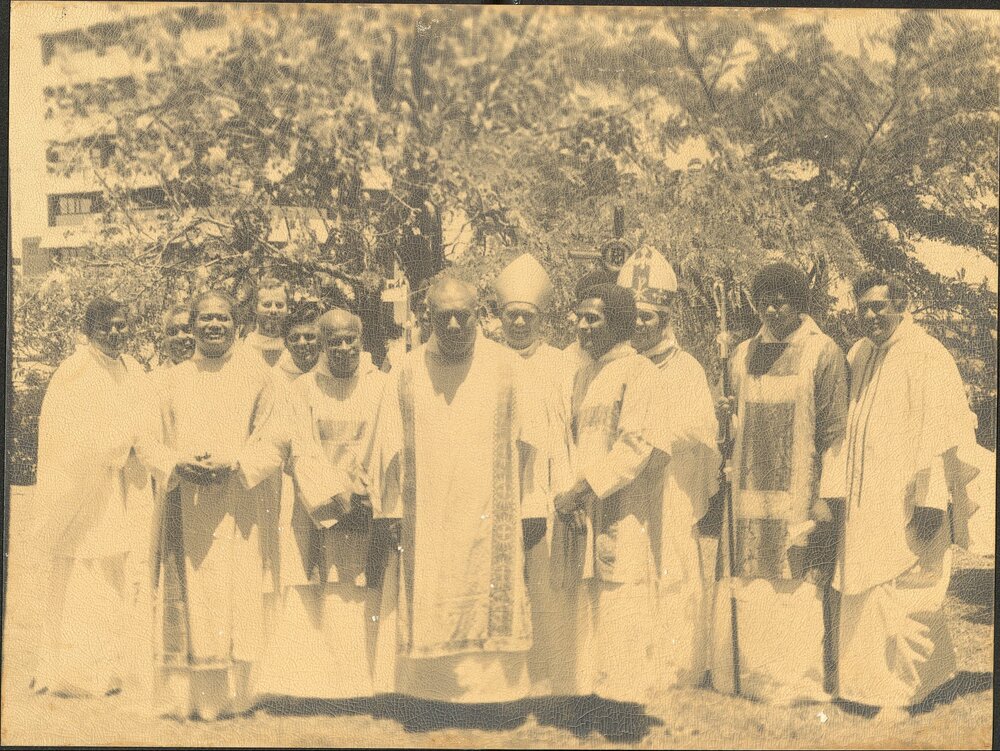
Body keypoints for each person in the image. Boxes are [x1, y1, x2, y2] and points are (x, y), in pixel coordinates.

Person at [146, 290, 341, 720]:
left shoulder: (259, 376)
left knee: (236, 594)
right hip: (185, 503)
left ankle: (235, 696)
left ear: (235, 323)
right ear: (193, 324)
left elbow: (278, 437)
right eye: (205, 318)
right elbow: (146, 439)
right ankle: (188, 696)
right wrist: (176, 463)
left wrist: (236, 463)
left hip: (239, 504)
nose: (214, 325)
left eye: (222, 318)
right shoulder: (170, 379)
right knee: (193, 595)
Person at [368, 277, 548, 705]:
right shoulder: (406, 371)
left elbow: (535, 445)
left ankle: (494, 694)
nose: (452, 325)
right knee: (430, 589)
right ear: (427, 316)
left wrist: (533, 505)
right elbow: (387, 447)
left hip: (492, 515)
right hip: (427, 514)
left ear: (478, 314)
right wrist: (390, 511)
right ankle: (428, 693)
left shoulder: (508, 368)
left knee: (488, 594)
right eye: (443, 315)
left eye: (461, 316)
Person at [833, 271, 983, 718]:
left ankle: (900, 695)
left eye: (879, 306)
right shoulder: (859, 352)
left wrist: (931, 501)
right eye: (864, 307)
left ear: (901, 305)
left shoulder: (926, 355)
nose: (871, 315)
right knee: (869, 591)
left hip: (909, 498)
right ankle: (866, 686)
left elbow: (942, 436)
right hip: (865, 500)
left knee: (905, 591)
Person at [710, 261, 848, 705]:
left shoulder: (822, 352)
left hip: (799, 495)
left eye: (781, 301)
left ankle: (792, 680)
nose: (771, 310)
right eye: (763, 301)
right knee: (750, 582)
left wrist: (826, 497)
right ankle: (745, 676)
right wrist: (724, 415)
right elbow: (733, 428)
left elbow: (834, 431)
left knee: (793, 582)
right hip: (747, 495)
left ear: (799, 303)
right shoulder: (741, 354)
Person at [550, 283, 677, 715]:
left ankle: (622, 707)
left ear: (619, 322)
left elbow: (635, 447)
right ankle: (587, 695)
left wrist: (581, 490)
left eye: (593, 319)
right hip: (581, 509)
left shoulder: (640, 372)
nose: (582, 326)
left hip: (623, 510)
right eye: (579, 317)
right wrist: (569, 495)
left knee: (621, 600)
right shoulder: (582, 375)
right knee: (586, 603)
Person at [257, 308, 388, 700]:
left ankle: (366, 683)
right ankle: (321, 685)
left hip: (366, 505)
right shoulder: (303, 390)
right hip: (319, 507)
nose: (343, 348)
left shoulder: (382, 386)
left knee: (362, 589)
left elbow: (386, 442)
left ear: (361, 340)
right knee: (320, 589)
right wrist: (335, 494)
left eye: (350, 340)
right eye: (334, 341)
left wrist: (365, 492)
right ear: (322, 345)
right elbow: (301, 450)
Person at [31, 297, 156, 698]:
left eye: (121, 325)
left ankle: (111, 668)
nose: (115, 333)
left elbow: (144, 419)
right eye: (106, 327)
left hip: (122, 484)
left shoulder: (132, 368)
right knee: (84, 571)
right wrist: (117, 445)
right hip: (85, 488)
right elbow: (67, 435)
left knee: (115, 569)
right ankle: (74, 671)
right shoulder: (75, 371)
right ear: (88, 331)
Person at [616, 246, 720, 688]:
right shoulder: (616, 364)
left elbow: (702, 427)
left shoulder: (686, 368)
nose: (640, 324)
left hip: (671, 481)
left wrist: (657, 438)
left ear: (664, 318)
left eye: (648, 317)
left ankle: (676, 664)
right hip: (624, 482)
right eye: (634, 316)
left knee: (671, 564)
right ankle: (629, 658)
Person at [493, 253, 575, 696]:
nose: (520, 322)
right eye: (513, 315)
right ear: (500, 317)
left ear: (541, 318)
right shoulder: (485, 360)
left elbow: (568, 428)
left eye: (528, 315)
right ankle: (502, 677)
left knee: (544, 588)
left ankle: (546, 676)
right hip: (499, 490)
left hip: (547, 487)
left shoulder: (562, 363)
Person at [242, 277, 290, 367]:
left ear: (288, 309)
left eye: (279, 305)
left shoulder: (293, 349)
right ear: (254, 308)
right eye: (267, 305)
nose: (273, 310)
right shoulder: (243, 349)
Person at [273, 300, 323, 382]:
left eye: (309, 336)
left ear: (320, 341)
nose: (302, 343)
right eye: (294, 338)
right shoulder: (277, 376)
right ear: (285, 344)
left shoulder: (331, 370)